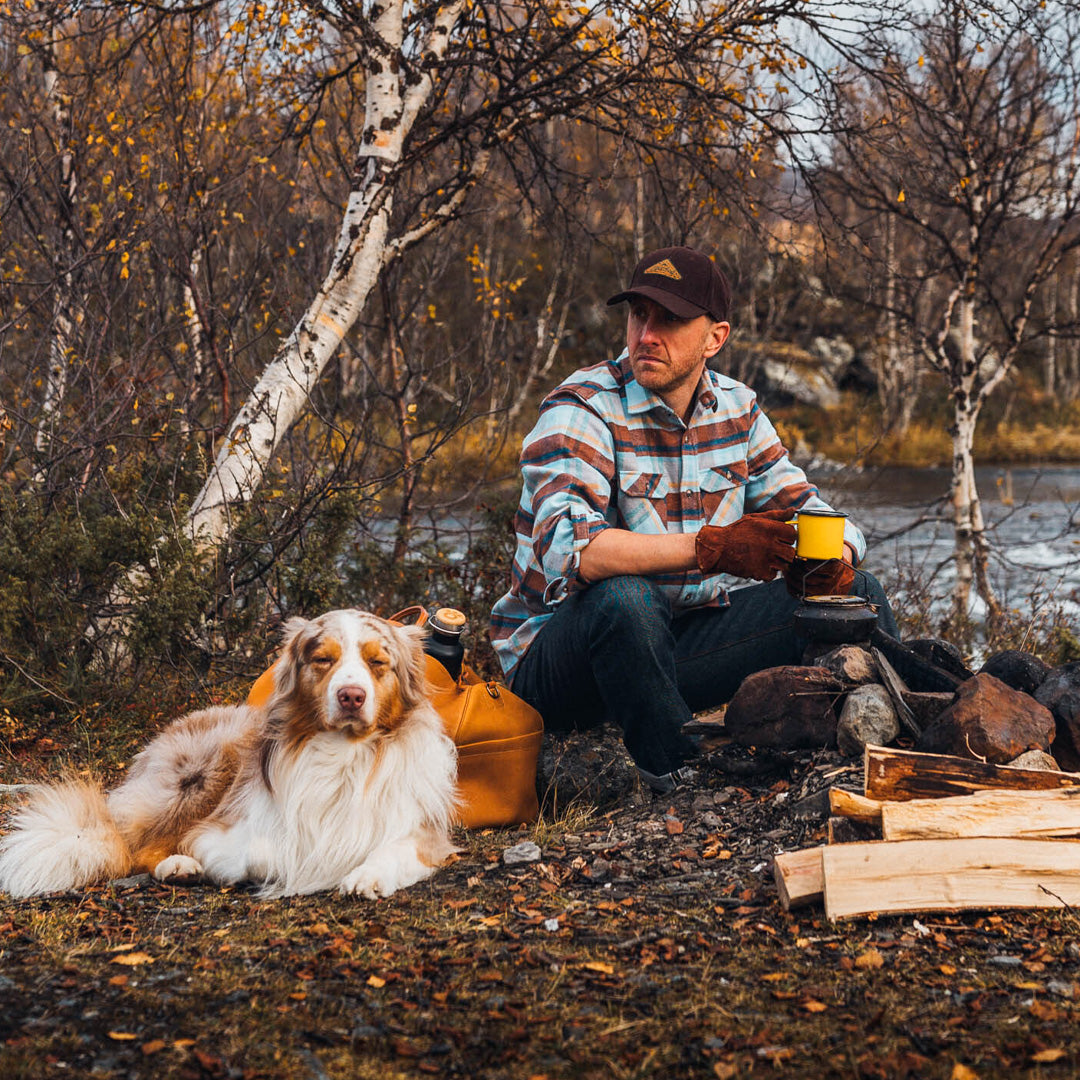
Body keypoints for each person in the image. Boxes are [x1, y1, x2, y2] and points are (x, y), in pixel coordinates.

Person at [490, 245, 898, 793]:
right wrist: (712, 548)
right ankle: (682, 776)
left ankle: (884, 751)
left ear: (715, 337)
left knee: (859, 595)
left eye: (670, 320)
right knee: (626, 600)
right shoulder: (581, 408)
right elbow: (574, 550)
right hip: (558, 665)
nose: (646, 334)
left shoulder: (738, 408)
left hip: (677, 646)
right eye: (638, 314)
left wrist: (832, 558)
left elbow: (810, 509)